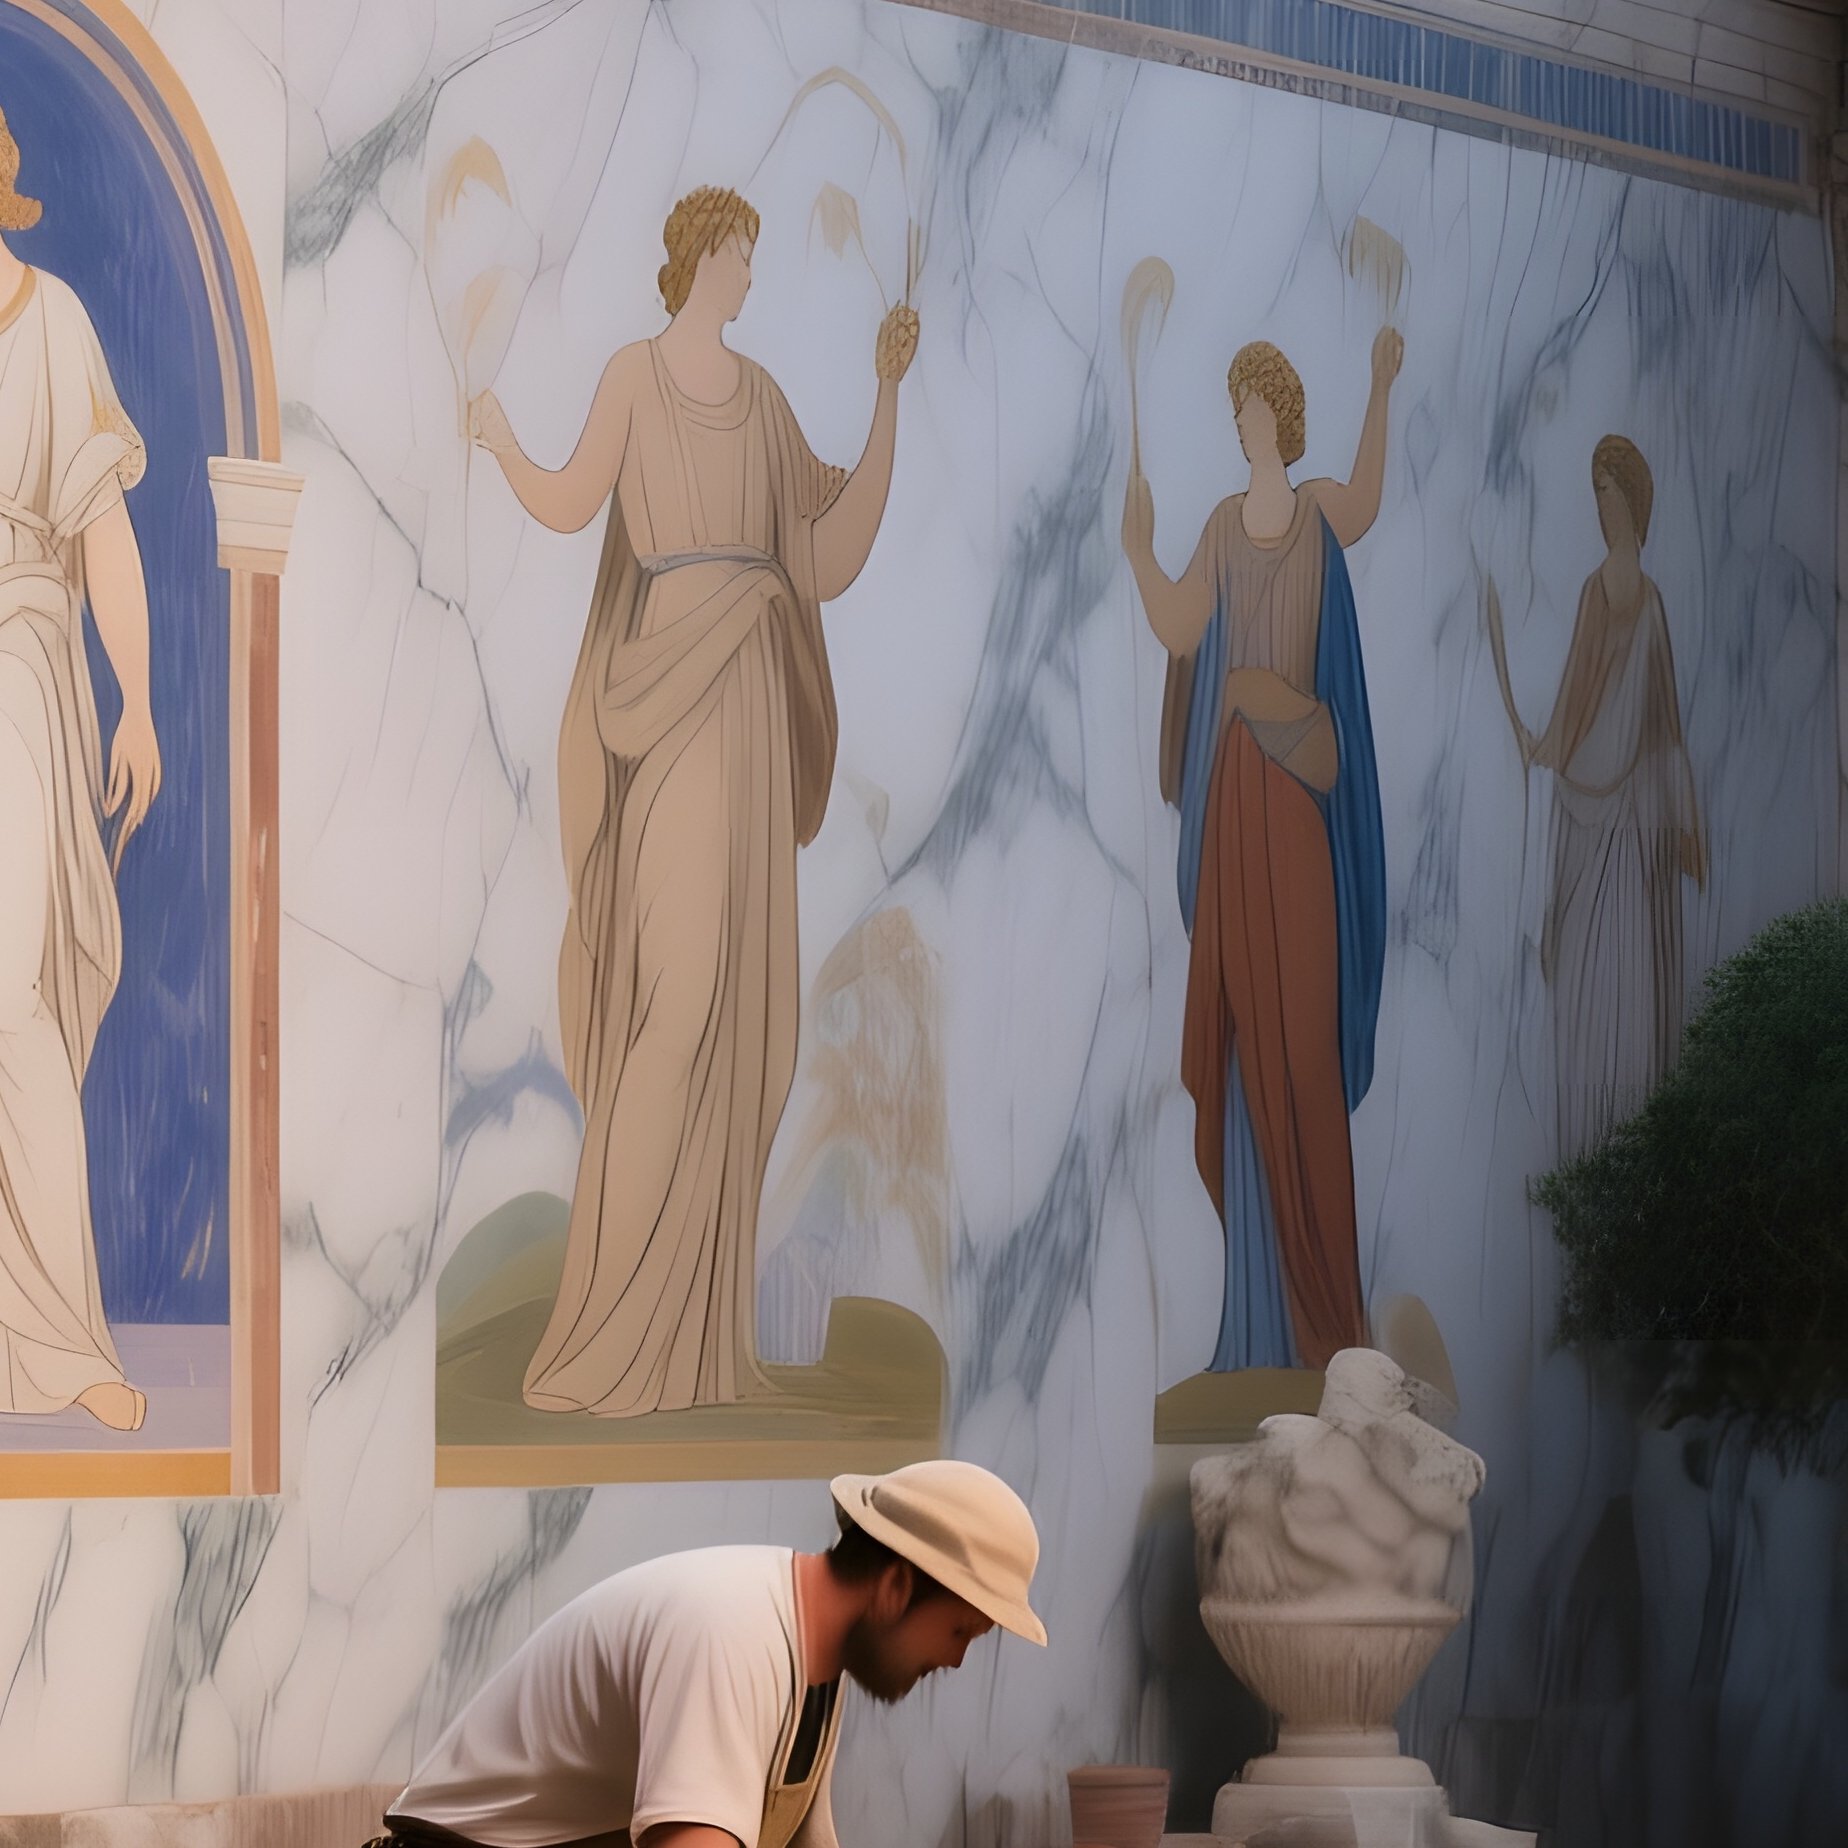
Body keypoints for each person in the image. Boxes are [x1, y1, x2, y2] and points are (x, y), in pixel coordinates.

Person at [468, 185, 919, 1419]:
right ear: (702, 255)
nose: (752, 276)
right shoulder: (635, 375)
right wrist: (501, 442)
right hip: (671, 695)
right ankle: (600, 1327)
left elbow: (822, 558)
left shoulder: (763, 401)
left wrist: (887, 398)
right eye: (742, 254)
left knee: (735, 1028)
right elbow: (575, 500)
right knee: (674, 1007)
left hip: (750, 712)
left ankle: (681, 1339)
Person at [1121, 332, 1398, 1373]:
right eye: (1236, 408)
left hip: (1298, 804)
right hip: (1238, 802)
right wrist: (1140, 550)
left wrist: (1379, 382)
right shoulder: (1222, 529)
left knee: (1305, 1054)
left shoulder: (1317, 513)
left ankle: (1337, 1327)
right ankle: (1261, 1332)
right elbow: (1180, 626)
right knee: (1245, 1048)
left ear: (1280, 412)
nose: (1241, 422)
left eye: (1251, 405)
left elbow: (1367, 498)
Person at [368, 1460, 1047, 1848]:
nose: (956, 1662)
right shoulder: (729, 1629)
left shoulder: (812, 1659)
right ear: (896, 1589)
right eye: (960, 1632)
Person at [0, 103, 161, 1433]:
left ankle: (61, 1339)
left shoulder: (50, 321)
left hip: (16, 658)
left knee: (11, 996)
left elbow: (102, 527)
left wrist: (139, 705)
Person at [1487, 434, 1704, 1158]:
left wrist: (1684, 821)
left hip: (1629, 830)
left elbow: (1662, 727)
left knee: (1624, 986)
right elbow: (1578, 702)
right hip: (1595, 822)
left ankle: (1625, 1147)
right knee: (1587, 986)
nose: (1601, 507)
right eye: (1596, 494)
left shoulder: (1647, 604)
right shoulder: (1603, 594)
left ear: (1633, 501)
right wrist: (1545, 743)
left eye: (1608, 492)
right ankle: (1591, 1151)